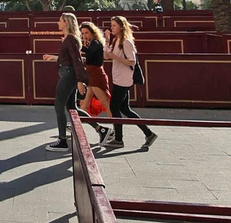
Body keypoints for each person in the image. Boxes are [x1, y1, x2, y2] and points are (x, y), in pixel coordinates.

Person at [42, 13, 106, 151]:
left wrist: (80, 80)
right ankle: (101, 129)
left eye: (60, 20)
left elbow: (77, 61)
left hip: (68, 75)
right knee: (72, 108)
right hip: (69, 74)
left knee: (59, 105)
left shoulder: (70, 39)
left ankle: (62, 141)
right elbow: (69, 59)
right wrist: (54, 58)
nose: (57, 22)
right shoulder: (70, 38)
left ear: (66, 22)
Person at [105, 16, 156, 147]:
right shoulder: (116, 40)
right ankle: (149, 133)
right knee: (125, 109)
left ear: (121, 27)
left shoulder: (126, 42)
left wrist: (115, 57)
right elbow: (106, 55)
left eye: (114, 25)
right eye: (111, 25)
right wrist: (107, 40)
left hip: (124, 79)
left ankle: (118, 139)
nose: (112, 28)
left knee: (114, 107)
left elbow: (132, 61)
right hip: (118, 77)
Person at [78, 22, 111, 121]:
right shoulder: (93, 43)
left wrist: (79, 47)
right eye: (83, 33)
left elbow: (89, 56)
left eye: (86, 33)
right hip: (92, 75)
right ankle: (76, 124)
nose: (84, 36)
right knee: (85, 102)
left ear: (93, 32)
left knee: (105, 102)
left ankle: (117, 125)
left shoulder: (95, 43)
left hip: (96, 75)